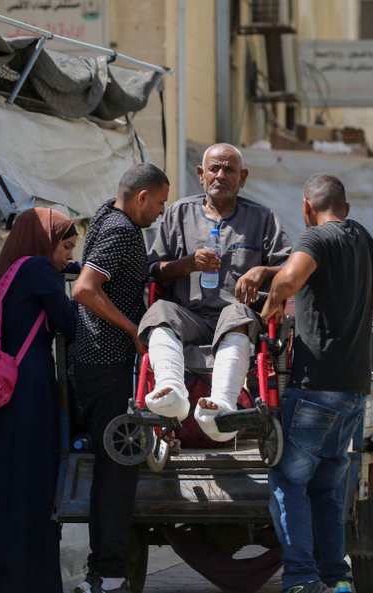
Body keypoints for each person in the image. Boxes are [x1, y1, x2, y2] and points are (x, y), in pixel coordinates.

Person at [259, 174, 373, 593]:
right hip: (354, 389)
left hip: (315, 387)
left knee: (288, 482)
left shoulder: (313, 240)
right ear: (346, 208)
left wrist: (270, 305)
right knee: (326, 490)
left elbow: (287, 281)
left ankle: (300, 578)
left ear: (306, 207)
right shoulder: (361, 237)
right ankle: (336, 578)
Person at [140, 143, 291, 442]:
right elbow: (153, 268)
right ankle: (171, 392)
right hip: (189, 318)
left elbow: (290, 267)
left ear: (242, 177)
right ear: (201, 174)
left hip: (236, 320)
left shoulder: (262, 218)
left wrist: (262, 271)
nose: (220, 175)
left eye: (229, 170)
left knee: (236, 312)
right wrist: (186, 264)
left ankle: (221, 404)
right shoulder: (178, 214)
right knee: (158, 311)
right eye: (214, 168)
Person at [71, 163, 170, 593]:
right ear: (142, 197)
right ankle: (109, 573)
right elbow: (85, 288)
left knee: (112, 469)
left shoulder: (105, 217)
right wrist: (132, 329)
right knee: (117, 471)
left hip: (96, 364)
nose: (162, 213)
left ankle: (104, 572)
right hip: (106, 365)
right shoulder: (121, 231)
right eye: (161, 203)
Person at [0, 208, 79, 593]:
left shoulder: (11, 269)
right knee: (32, 484)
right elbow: (70, 323)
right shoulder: (37, 268)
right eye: (65, 246)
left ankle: (1, 578)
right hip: (28, 392)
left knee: (6, 482)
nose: (68, 256)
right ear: (45, 241)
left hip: (3, 391)